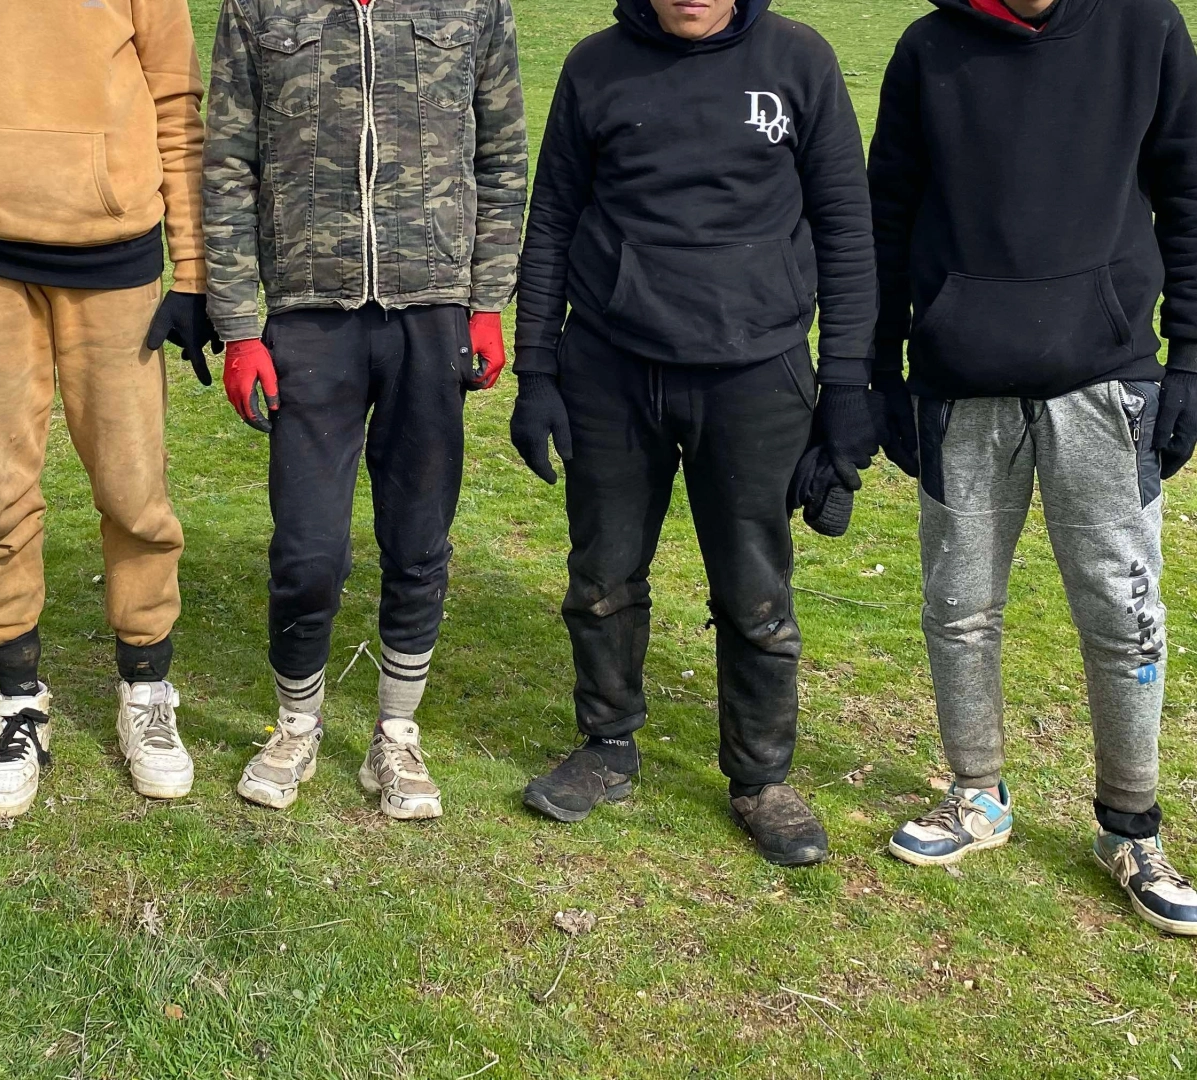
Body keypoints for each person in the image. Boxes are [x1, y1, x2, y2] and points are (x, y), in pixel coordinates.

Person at [510, 0, 877, 866]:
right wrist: (536, 372)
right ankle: (606, 744)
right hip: (609, 365)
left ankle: (760, 778)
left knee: (754, 589)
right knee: (602, 574)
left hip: (756, 372)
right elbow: (552, 218)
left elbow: (845, 228)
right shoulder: (594, 66)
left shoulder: (800, 61)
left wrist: (845, 385)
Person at [871, 0, 1197, 934]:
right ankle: (975, 793)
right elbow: (885, 212)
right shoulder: (927, 48)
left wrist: (1189, 357)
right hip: (959, 381)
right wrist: (877, 368)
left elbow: (1186, 194)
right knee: (958, 605)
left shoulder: (1145, 28)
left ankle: (1130, 827)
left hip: (1104, 380)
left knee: (1122, 613)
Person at [0, 0, 217, 818]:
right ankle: (18, 703)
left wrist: (194, 271)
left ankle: (146, 691)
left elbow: (176, 106)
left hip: (114, 258)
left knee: (134, 491)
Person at [204, 0, 527, 818]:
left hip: (434, 313)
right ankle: (295, 725)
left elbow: (501, 158)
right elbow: (228, 166)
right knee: (308, 550)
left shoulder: (473, 5)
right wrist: (239, 328)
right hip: (309, 319)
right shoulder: (258, 7)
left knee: (417, 537)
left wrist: (487, 302)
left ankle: (396, 733)